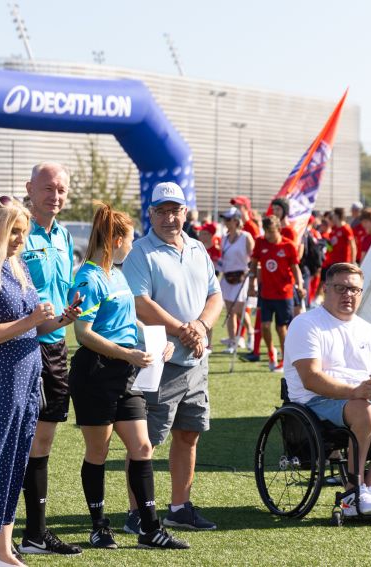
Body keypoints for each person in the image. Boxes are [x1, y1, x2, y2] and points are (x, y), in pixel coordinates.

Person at [0, 196, 79, 567]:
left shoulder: (19, 266)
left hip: (26, 378)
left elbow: (36, 323)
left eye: (23, 232)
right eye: (14, 231)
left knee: (14, 462)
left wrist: (61, 319)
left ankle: (4, 549)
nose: (19, 239)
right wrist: (29, 323)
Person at [68, 203, 189, 551]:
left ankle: (150, 529)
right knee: (98, 452)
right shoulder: (88, 277)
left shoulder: (117, 273)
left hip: (125, 373)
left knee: (142, 447)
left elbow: (126, 319)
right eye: (130, 239)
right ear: (115, 240)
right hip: (95, 374)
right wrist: (127, 353)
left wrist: (157, 339)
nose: (133, 245)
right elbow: (84, 334)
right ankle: (99, 526)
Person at [122, 181, 223, 532]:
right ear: (150, 214)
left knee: (188, 434)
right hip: (159, 359)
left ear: (185, 213)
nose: (169, 217)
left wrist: (199, 326)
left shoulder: (197, 248)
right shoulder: (141, 253)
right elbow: (140, 303)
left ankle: (179, 508)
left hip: (196, 360)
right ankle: (136, 514)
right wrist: (185, 330)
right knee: (144, 441)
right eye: (161, 211)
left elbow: (216, 296)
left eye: (175, 210)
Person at [284, 262, 371, 516]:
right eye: (340, 288)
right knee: (364, 410)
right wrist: (355, 392)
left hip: (359, 401)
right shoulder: (306, 324)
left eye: (354, 290)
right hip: (314, 402)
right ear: (325, 290)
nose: (348, 295)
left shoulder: (370, 331)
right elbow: (311, 378)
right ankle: (354, 492)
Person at [17, 162, 82, 556]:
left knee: (44, 439)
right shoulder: (17, 231)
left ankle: (35, 533)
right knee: (22, 440)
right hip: (24, 346)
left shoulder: (63, 235)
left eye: (60, 190)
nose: (54, 196)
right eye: (47, 188)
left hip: (57, 345)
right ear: (29, 188)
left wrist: (72, 311)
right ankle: (16, 531)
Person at [242, 216, 303, 370]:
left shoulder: (288, 246)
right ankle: (271, 353)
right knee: (265, 326)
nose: (268, 235)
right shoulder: (261, 242)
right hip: (266, 293)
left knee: (281, 329)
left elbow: (295, 268)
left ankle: (284, 358)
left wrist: (300, 285)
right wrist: (251, 285)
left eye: (271, 232)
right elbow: (254, 265)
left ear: (278, 230)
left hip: (284, 293)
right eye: (266, 231)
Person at [217, 206, 253, 354]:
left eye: (229, 219)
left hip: (242, 277)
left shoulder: (246, 237)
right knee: (230, 312)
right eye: (225, 219)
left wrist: (252, 276)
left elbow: (253, 259)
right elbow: (223, 259)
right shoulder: (224, 239)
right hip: (227, 277)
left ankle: (250, 332)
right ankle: (233, 341)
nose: (226, 222)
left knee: (239, 309)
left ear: (236, 221)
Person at [322, 207, 356, 282]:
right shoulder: (333, 228)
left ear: (337, 215)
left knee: (343, 282)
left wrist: (352, 262)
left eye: (333, 215)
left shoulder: (346, 228)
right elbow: (330, 246)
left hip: (343, 261)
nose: (332, 217)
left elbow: (353, 246)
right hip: (333, 262)